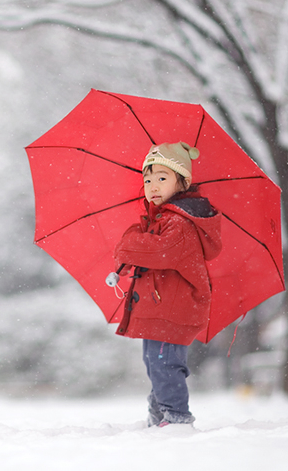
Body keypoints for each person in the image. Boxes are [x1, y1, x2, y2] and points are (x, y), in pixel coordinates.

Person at [113, 142, 222, 427]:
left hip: (174, 308)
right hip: (160, 306)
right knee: (155, 362)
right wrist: (137, 241)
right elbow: (147, 251)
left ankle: (176, 417)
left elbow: (160, 251)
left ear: (182, 182)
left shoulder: (181, 223)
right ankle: (159, 413)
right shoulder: (160, 221)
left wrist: (130, 243)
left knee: (165, 363)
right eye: (148, 180)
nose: (153, 186)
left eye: (162, 178)